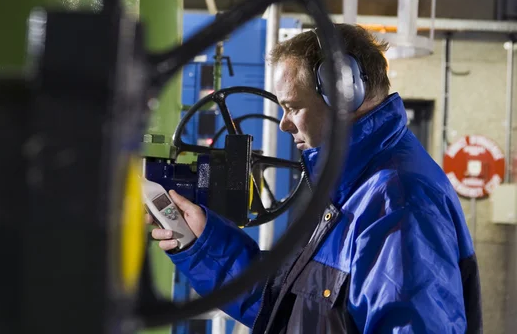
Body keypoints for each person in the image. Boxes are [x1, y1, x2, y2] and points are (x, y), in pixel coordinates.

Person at [146, 24, 482, 333]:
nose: (284, 124)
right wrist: (201, 243)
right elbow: (287, 308)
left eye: (292, 107)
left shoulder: (397, 203)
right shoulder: (352, 190)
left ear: (343, 93)